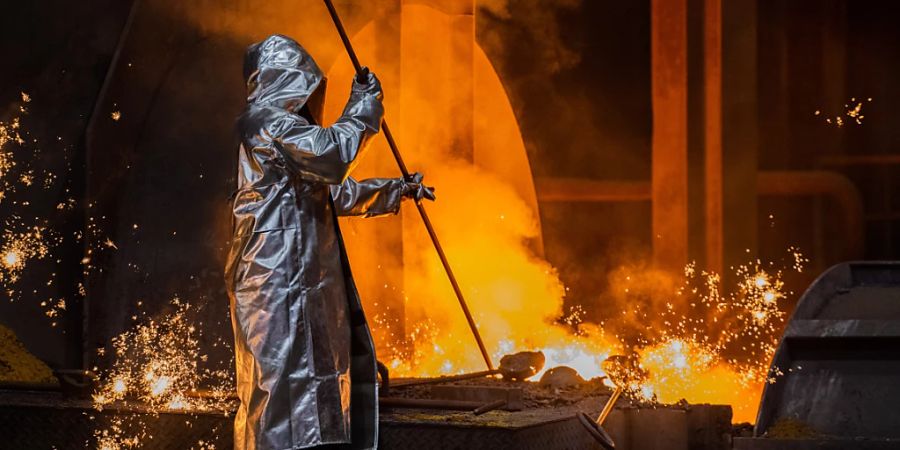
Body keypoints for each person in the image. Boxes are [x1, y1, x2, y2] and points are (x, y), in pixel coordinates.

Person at [225, 34, 434, 450]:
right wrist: (365, 105)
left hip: (299, 284)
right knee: (280, 390)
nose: (310, 96)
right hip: (275, 282)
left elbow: (336, 192)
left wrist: (397, 190)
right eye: (305, 84)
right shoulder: (265, 122)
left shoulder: (284, 133)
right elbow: (335, 154)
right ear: (287, 80)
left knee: (312, 386)